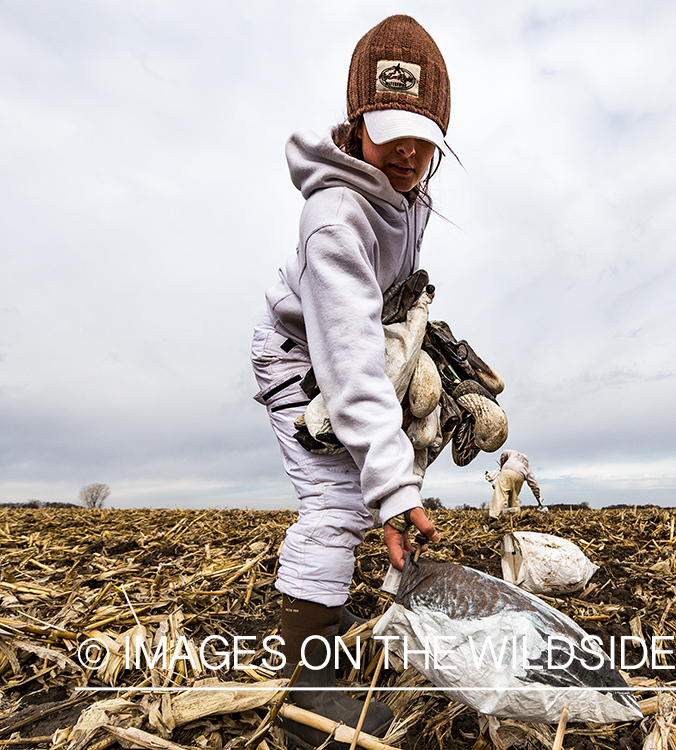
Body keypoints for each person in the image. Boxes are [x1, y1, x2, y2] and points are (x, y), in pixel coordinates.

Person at [249, 15, 448, 743]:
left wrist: (435, 349)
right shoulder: (335, 219)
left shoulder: (409, 189)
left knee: (373, 487)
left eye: (424, 136)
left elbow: (384, 301)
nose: (407, 151)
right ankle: (306, 704)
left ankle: (322, 650)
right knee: (338, 502)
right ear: (356, 119)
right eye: (390, 128)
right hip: (302, 354)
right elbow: (350, 365)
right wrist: (395, 492)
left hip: (353, 343)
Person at [488, 450, 543, 518]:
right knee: (514, 497)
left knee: (500, 493)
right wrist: (537, 496)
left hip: (506, 472)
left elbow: (504, 453)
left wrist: (502, 465)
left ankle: (494, 515)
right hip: (520, 477)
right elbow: (533, 484)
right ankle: (515, 517)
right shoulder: (527, 466)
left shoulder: (513, 453)